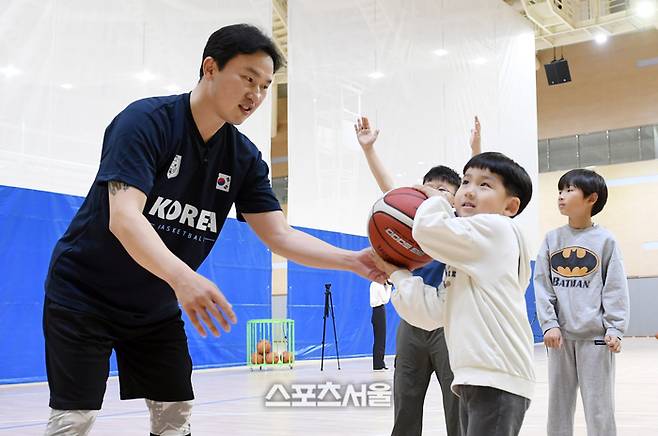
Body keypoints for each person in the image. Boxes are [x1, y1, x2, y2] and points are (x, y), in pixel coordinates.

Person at [42, 24, 385, 436]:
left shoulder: (243, 158)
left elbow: (280, 235)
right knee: (73, 420)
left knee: (176, 412)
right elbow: (125, 218)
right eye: (247, 78)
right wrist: (184, 280)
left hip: (153, 308)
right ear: (210, 67)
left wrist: (353, 260)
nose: (255, 96)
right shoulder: (145, 122)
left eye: (264, 86)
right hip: (84, 297)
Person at [372, 152, 536, 436]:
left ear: (510, 206)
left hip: (496, 379)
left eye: (484, 185)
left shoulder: (498, 230)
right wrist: (397, 272)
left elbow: (427, 229)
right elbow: (432, 311)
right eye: (466, 181)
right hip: (478, 376)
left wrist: (433, 197)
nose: (469, 191)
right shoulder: (469, 256)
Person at [355, 115, 481, 436]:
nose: (434, 193)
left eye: (443, 190)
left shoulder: (459, 226)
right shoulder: (412, 221)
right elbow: (390, 191)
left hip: (447, 325)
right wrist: (370, 150)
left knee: (458, 408)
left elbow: (478, 193)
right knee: (406, 403)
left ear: (454, 200)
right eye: (429, 187)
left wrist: (476, 149)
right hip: (411, 325)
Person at [534, 168, 630, 436]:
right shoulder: (552, 239)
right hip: (560, 338)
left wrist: (614, 329)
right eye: (560, 191)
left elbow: (615, 288)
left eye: (569, 190)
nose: (561, 196)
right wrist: (549, 324)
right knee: (558, 407)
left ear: (591, 198)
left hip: (595, 340)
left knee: (599, 408)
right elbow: (542, 286)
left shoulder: (605, 241)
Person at [369, 281, 392, 371]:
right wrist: (389, 287)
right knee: (380, 339)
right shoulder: (378, 285)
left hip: (375, 312)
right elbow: (385, 299)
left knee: (378, 339)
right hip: (379, 311)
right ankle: (379, 364)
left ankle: (378, 363)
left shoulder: (373, 284)